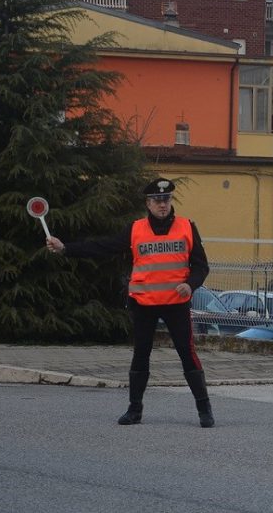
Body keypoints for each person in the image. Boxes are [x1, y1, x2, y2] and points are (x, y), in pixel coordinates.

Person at [47, 177, 214, 428]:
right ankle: (134, 410)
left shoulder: (187, 227)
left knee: (187, 354)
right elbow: (103, 247)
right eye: (157, 200)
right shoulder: (135, 229)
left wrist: (190, 284)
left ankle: (204, 409)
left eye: (166, 199)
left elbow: (201, 266)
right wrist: (66, 249)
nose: (162, 205)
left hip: (176, 303)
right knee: (141, 355)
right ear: (147, 203)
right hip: (144, 303)